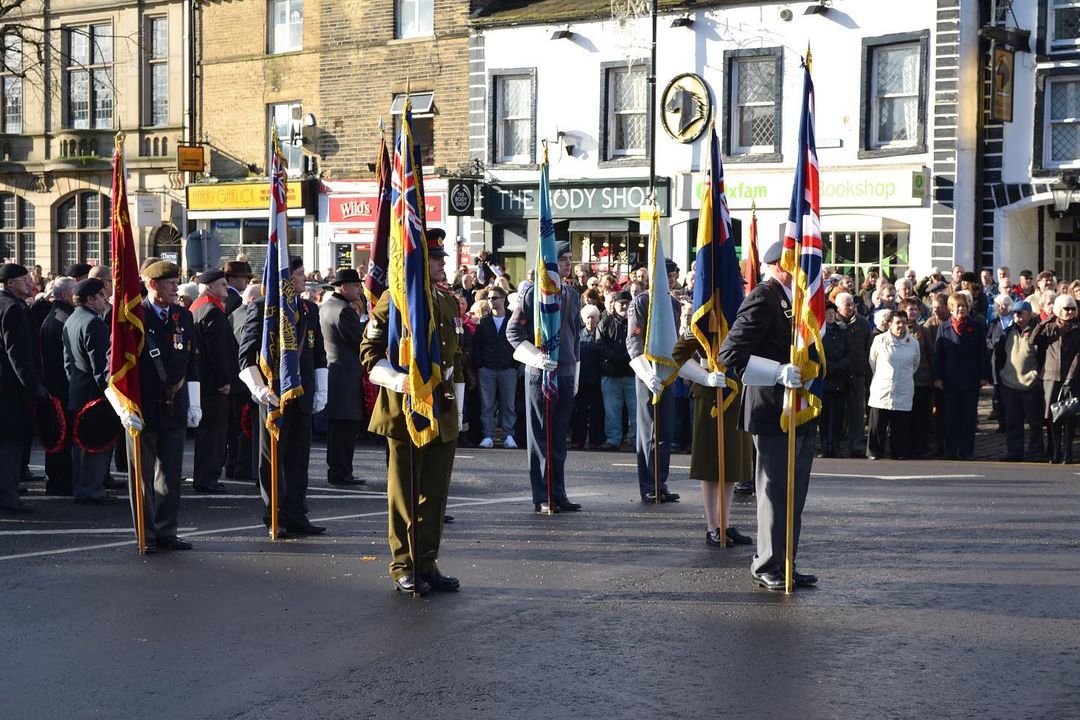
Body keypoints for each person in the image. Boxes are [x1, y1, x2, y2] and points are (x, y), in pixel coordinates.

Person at [360, 233, 464, 595]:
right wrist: (399, 381)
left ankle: (427, 561)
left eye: (442, 257)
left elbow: (456, 360)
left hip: (441, 410)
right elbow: (370, 352)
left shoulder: (448, 303)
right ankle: (403, 564)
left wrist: (457, 405)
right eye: (435, 258)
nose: (442, 263)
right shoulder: (395, 300)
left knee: (435, 493)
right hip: (404, 408)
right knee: (404, 493)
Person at [717, 240, 818, 591]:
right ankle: (766, 563)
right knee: (774, 492)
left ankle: (786, 561)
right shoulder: (764, 297)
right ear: (781, 264)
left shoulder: (798, 299)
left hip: (799, 409)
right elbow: (730, 354)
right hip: (771, 409)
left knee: (795, 492)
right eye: (797, 262)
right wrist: (776, 372)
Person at [112, 261, 200, 550]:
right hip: (143, 408)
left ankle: (166, 531)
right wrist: (123, 408)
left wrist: (194, 402)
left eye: (177, 282)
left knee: (171, 475)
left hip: (174, 407)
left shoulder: (182, 316)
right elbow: (112, 369)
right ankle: (145, 534)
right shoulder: (133, 317)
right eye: (169, 283)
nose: (176, 288)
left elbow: (192, 362)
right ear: (152, 285)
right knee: (142, 477)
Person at [238, 257, 328, 537]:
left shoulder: (309, 309)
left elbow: (318, 352)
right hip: (274, 396)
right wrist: (259, 388)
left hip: (302, 394)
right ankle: (274, 515)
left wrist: (321, 388)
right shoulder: (263, 310)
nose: (305, 279)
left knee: (299, 459)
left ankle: (297, 514)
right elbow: (246, 355)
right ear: (286, 279)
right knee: (272, 460)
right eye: (300, 274)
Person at [506, 241, 583, 513]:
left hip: (563, 373)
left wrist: (575, 371)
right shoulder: (533, 294)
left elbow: (575, 336)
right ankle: (542, 495)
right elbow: (513, 333)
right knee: (540, 438)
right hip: (540, 374)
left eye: (569, 259)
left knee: (559, 439)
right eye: (562, 259)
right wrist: (536, 357)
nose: (567, 264)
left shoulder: (572, 294)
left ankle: (558, 492)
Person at [627, 259, 683, 503]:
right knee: (649, 431)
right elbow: (634, 341)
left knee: (665, 431)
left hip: (667, 372)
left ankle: (660, 482)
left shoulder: (673, 303)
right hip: (648, 373)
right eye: (668, 276)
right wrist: (647, 373)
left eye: (674, 276)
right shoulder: (641, 302)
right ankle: (648, 484)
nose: (672, 280)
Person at [0, 263, 49, 514]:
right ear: (10, 283)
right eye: (24, 278)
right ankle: (8, 496)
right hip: (11, 388)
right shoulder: (14, 309)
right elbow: (17, 354)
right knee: (11, 442)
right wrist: (33, 385)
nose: (30, 282)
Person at [63, 278, 117, 504]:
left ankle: (84, 487)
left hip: (78, 390)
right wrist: (110, 394)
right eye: (102, 296)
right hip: (94, 395)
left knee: (81, 444)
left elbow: (67, 363)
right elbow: (100, 366)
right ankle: (91, 490)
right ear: (90, 298)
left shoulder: (72, 319)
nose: (105, 300)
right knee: (95, 443)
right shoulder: (94, 323)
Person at [319, 268, 368, 487]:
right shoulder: (344, 311)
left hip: (335, 372)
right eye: (356, 285)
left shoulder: (327, 306)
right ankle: (341, 472)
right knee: (346, 426)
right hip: (346, 374)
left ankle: (338, 470)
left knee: (338, 427)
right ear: (344, 287)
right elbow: (359, 342)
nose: (359, 289)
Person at [190, 269, 235, 494]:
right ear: (209, 287)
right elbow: (218, 352)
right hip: (212, 383)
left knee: (207, 432)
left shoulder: (197, 308)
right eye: (223, 285)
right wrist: (224, 380)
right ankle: (208, 477)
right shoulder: (212, 312)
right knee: (214, 433)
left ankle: (204, 476)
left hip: (202, 381)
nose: (227, 289)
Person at [933, 292, 991, 461]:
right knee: (951, 418)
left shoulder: (976, 327)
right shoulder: (944, 328)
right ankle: (950, 450)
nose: (961, 309)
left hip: (970, 380)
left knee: (968, 418)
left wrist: (984, 375)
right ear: (951, 309)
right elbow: (939, 355)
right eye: (958, 306)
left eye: (964, 306)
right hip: (950, 380)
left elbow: (983, 353)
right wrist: (938, 377)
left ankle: (967, 451)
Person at [1032, 294, 1080, 463]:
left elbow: (1078, 356)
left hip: (1071, 378)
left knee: (1069, 416)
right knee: (1053, 416)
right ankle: (1055, 451)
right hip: (1051, 376)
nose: (1070, 312)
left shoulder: (1077, 329)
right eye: (1066, 308)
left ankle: (1068, 452)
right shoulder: (1050, 327)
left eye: (1072, 308)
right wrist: (1044, 321)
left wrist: (1070, 378)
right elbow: (1033, 340)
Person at [39, 276, 76, 496]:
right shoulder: (61, 320)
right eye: (74, 291)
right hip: (59, 387)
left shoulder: (60, 316)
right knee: (60, 436)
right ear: (64, 295)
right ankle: (59, 482)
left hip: (57, 386)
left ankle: (60, 479)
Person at [867, 310, 920, 460]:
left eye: (903, 322)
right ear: (889, 324)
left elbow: (915, 364)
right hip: (882, 388)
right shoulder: (879, 340)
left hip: (903, 388)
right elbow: (873, 362)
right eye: (897, 322)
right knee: (878, 424)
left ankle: (899, 452)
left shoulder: (913, 343)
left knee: (900, 425)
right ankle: (875, 452)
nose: (900, 326)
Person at [994, 300, 1043, 461]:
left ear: (1029, 314)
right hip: (1010, 384)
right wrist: (1002, 374)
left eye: (1020, 313)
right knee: (1012, 422)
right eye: (1014, 313)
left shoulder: (1039, 332)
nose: (1016, 316)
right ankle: (1015, 452)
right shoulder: (1007, 332)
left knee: (1035, 423)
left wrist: (1036, 375)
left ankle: (1036, 452)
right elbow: (1000, 357)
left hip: (1031, 384)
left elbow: (1043, 358)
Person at [474, 285, 519, 449]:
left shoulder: (512, 319)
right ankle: (488, 435)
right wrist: (481, 364)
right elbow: (477, 345)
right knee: (487, 405)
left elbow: (518, 341)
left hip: (508, 368)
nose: (491, 301)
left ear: (503, 298)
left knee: (509, 405)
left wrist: (514, 364)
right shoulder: (484, 321)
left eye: (495, 298)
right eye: (489, 298)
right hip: (487, 368)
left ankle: (509, 435)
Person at [597, 289, 635, 449]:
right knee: (612, 411)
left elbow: (639, 343)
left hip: (632, 373)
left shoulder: (637, 322)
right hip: (610, 373)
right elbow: (599, 343)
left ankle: (637, 440)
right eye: (621, 303)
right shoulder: (605, 321)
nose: (624, 307)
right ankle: (613, 440)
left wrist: (626, 356)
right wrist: (614, 356)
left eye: (627, 303)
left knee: (636, 411)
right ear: (615, 304)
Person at [835, 292, 871, 458]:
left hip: (857, 375)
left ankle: (856, 446)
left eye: (852, 304)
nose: (850, 308)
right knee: (836, 414)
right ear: (837, 307)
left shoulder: (863, 323)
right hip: (837, 376)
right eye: (846, 305)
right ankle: (833, 446)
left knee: (856, 414)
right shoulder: (832, 323)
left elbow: (868, 348)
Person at [571, 304, 605, 449]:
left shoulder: (602, 335)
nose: (591, 320)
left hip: (597, 380)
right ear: (584, 319)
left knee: (597, 413)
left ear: (597, 319)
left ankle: (595, 441)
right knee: (580, 413)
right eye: (588, 317)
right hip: (582, 380)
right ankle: (578, 441)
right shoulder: (578, 335)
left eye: (593, 317)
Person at [818, 303, 850, 458]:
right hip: (824, 380)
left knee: (837, 417)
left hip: (839, 380)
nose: (830, 315)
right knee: (824, 418)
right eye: (827, 313)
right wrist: (829, 366)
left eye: (832, 313)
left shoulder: (842, 331)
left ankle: (835, 447)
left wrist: (840, 366)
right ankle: (825, 447)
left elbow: (849, 352)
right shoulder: (819, 332)